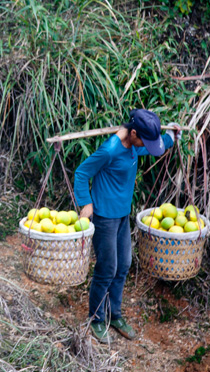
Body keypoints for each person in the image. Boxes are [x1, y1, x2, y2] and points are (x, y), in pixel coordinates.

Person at [73, 109, 182, 343]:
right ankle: (96, 319)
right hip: (104, 216)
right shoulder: (111, 149)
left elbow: (152, 146)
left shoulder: (134, 144)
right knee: (107, 268)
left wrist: (171, 137)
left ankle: (115, 315)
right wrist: (86, 204)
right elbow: (82, 173)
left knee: (124, 264)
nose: (145, 145)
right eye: (144, 139)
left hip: (122, 214)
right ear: (133, 133)